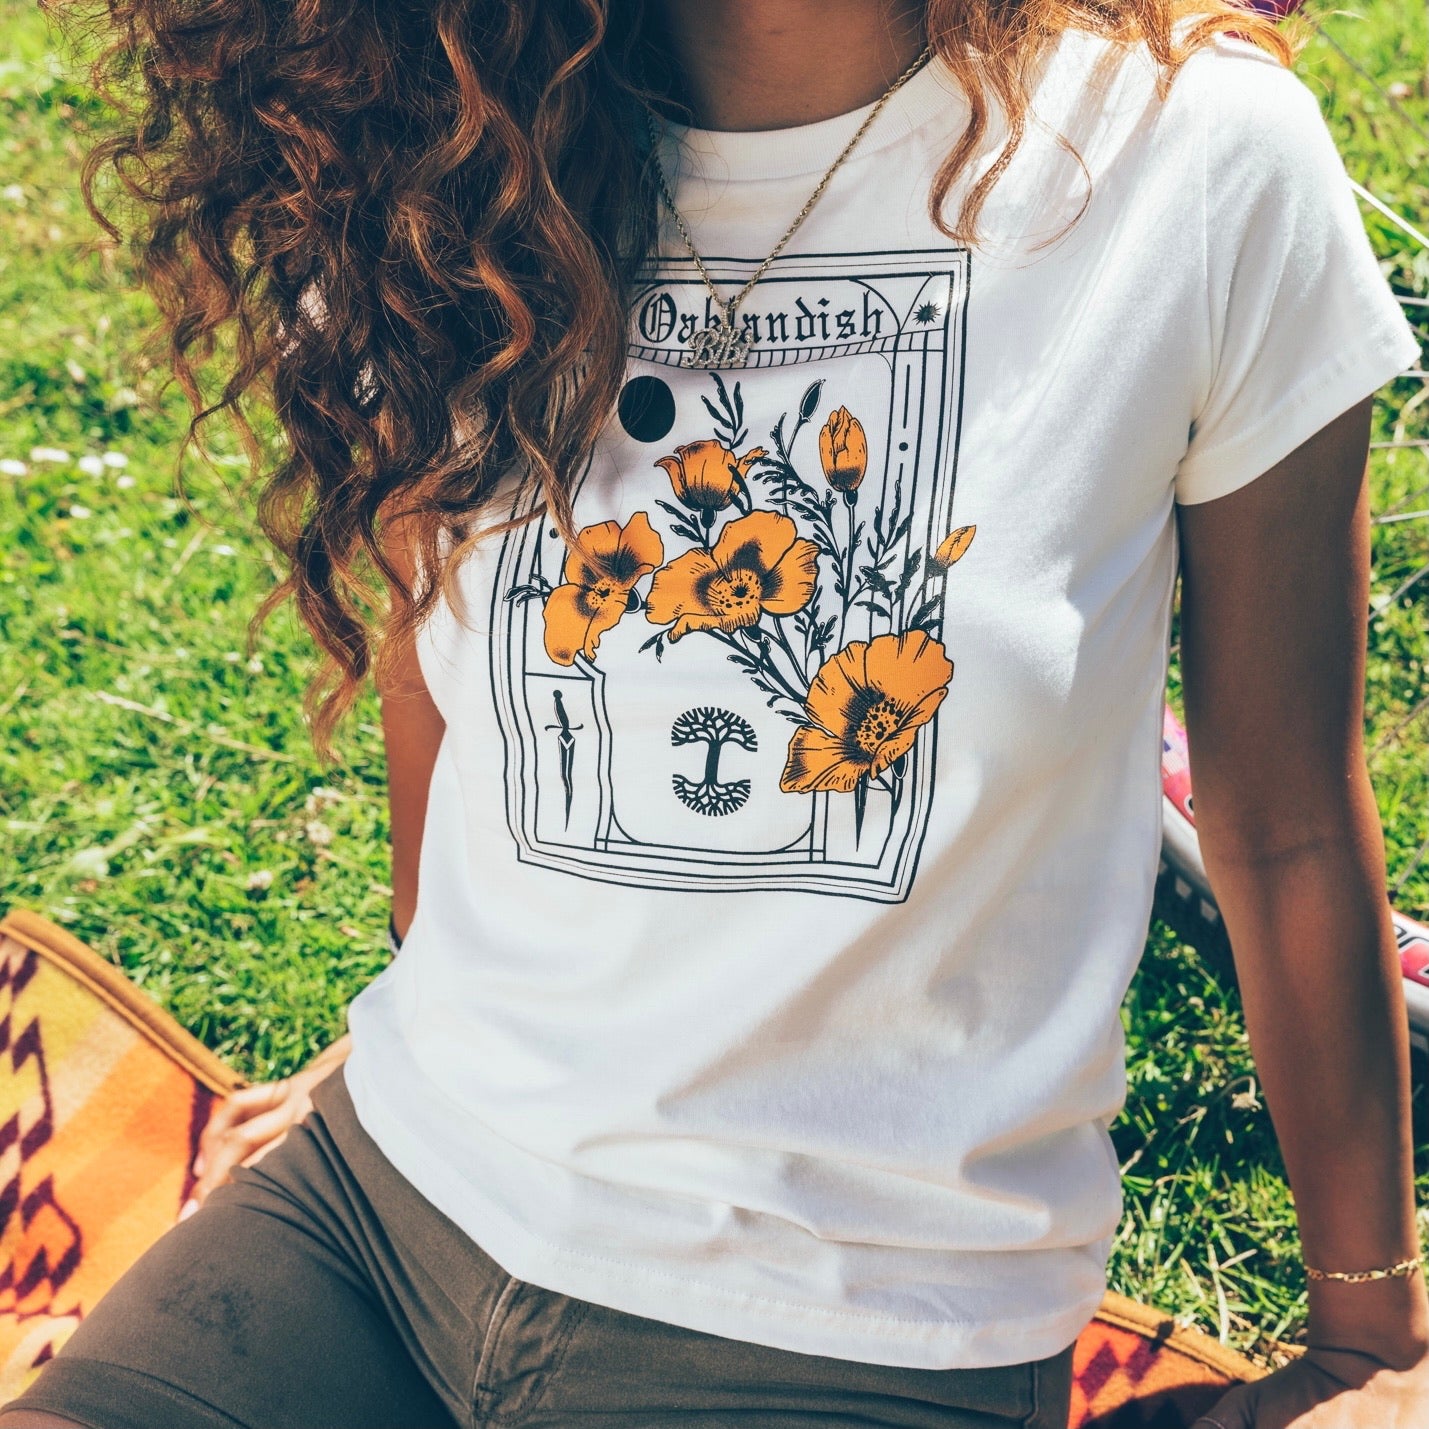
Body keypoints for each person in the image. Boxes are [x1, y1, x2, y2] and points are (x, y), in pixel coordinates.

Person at [4, 0, 1427, 1424]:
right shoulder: (434, 143)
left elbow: (1284, 813)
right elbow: (439, 675)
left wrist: (1370, 1333)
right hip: (387, 1211)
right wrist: (402, 1024)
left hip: (850, 1319)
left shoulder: (1190, 161)